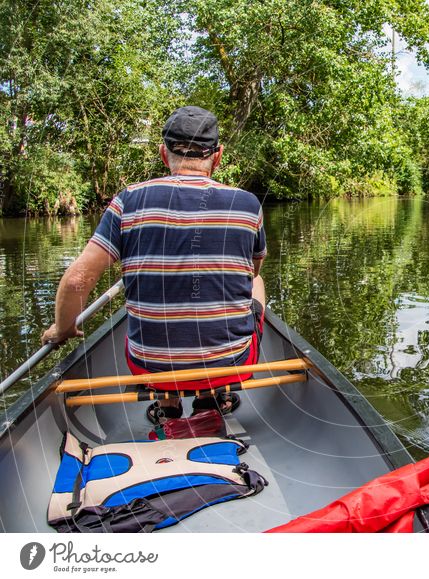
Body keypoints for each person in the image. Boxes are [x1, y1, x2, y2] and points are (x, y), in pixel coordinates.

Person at [41, 106, 266, 423]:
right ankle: (211, 400)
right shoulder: (247, 204)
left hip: (149, 367)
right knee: (256, 283)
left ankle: (168, 406)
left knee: (144, 323)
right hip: (231, 362)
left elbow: (78, 279)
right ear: (217, 157)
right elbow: (249, 274)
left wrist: (63, 328)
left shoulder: (127, 201)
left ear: (164, 154)